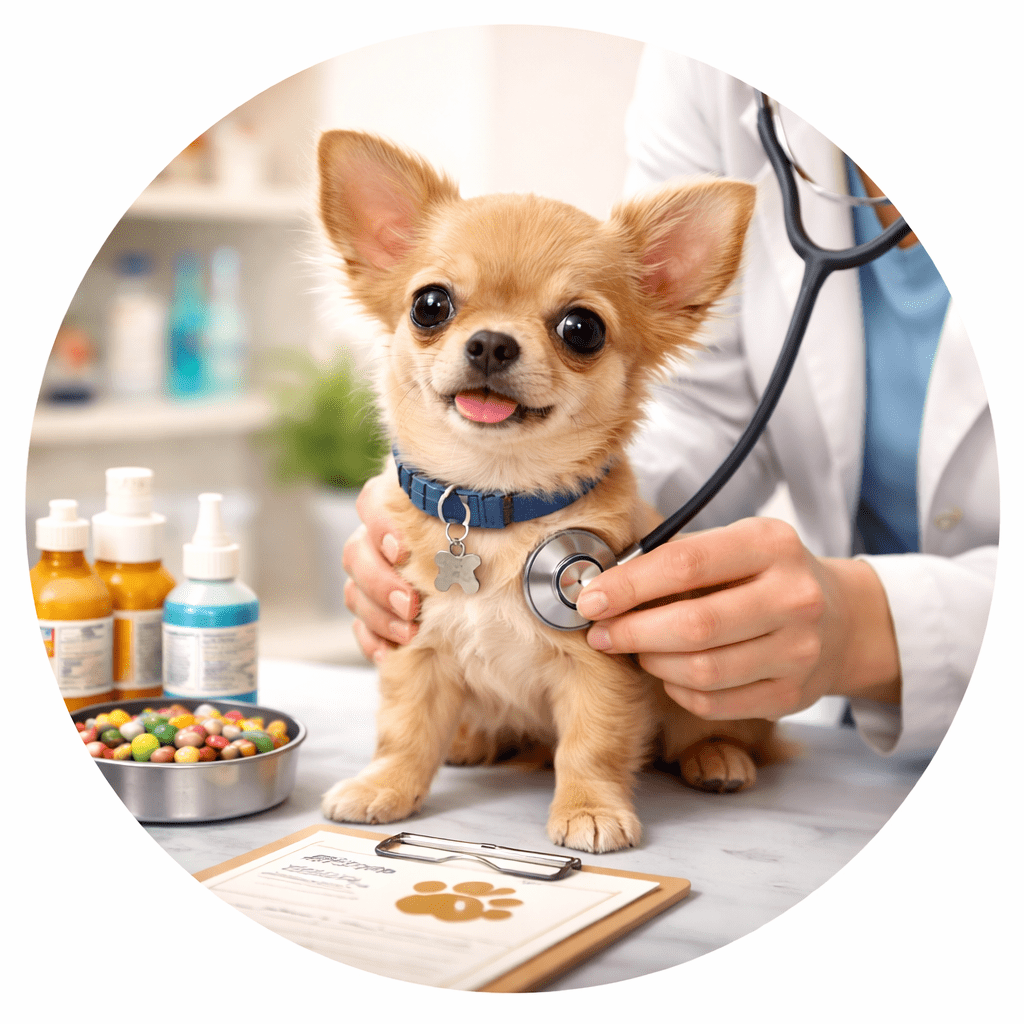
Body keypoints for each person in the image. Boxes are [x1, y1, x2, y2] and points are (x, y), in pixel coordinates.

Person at [339, 47, 997, 758]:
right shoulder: (714, 61)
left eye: (576, 330)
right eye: (436, 307)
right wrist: (552, 525)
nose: (493, 347)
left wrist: (876, 627)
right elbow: (699, 404)